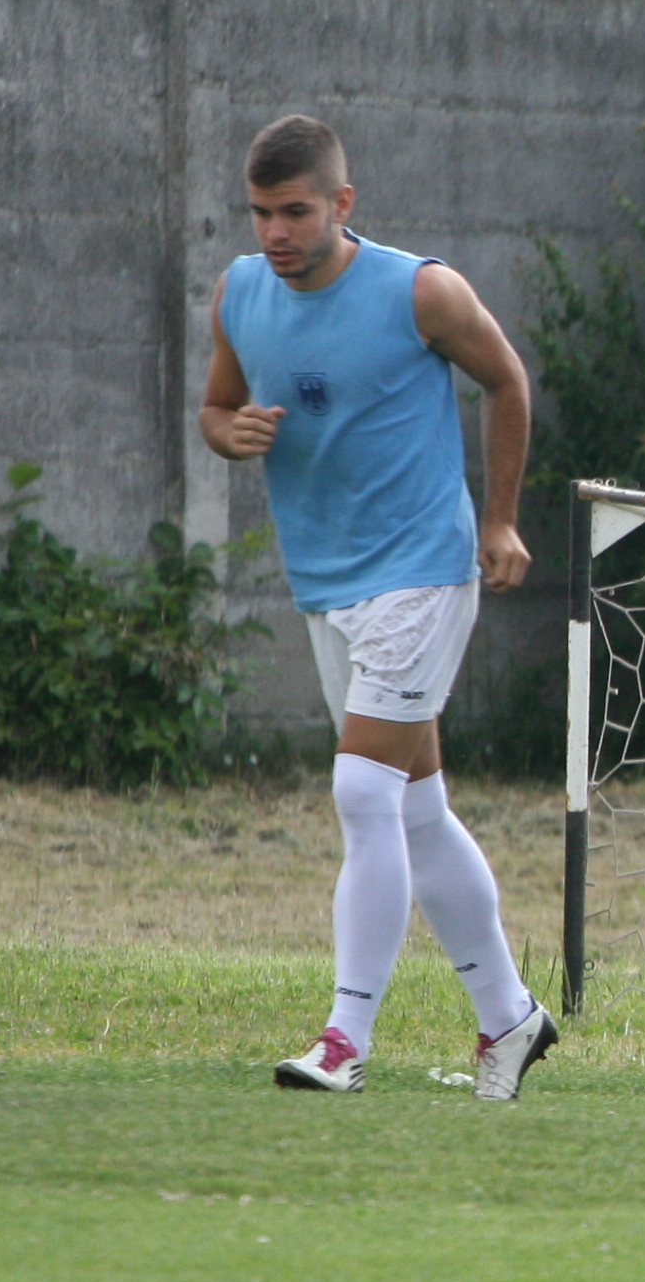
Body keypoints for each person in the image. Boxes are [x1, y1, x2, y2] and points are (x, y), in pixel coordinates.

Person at [209, 116, 554, 1101]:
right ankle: (510, 1019)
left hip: (422, 569)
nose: (276, 231)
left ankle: (343, 1039)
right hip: (327, 578)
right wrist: (230, 433)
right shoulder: (238, 292)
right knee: (413, 806)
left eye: (296, 211)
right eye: (261, 213)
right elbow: (215, 409)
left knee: (362, 794)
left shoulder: (422, 290)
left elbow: (507, 382)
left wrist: (499, 522)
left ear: (342, 205)